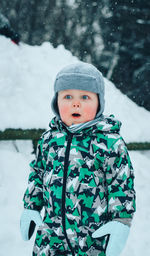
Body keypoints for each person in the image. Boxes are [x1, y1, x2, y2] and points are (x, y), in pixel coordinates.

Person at [20, 62, 136, 256]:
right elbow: (38, 174)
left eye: (85, 97)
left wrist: (121, 221)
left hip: (92, 238)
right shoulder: (49, 140)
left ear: (99, 102)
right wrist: (31, 206)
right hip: (51, 238)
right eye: (67, 96)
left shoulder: (109, 142)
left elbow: (121, 184)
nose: (76, 103)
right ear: (55, 102)